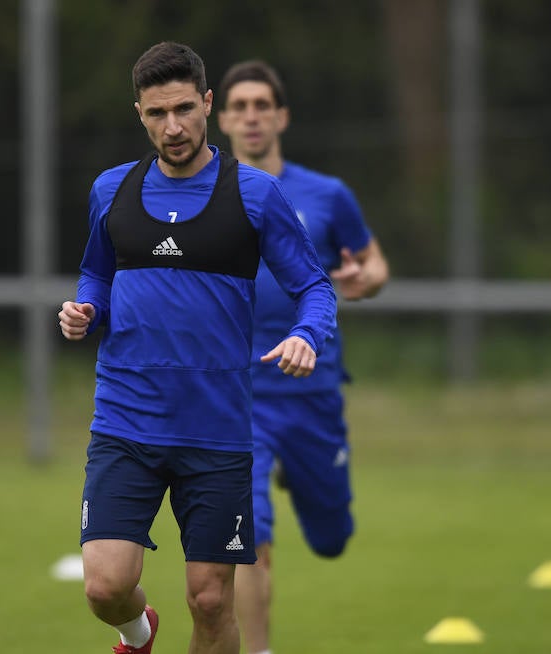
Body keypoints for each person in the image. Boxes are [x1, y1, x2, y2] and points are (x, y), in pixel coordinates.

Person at [58, 42, 337, 654]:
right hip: (125, 421)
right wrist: (86, 311)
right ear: (139, 113)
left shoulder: (256, 195)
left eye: (185, 109)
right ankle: (139, 633)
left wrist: (304, 334)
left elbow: (314, 287)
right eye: (157, 114)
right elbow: (96, 276)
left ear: (208, 104)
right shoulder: (112, 190)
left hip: (216, 431)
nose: (174, 127)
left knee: (211, 600)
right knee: (106, 586)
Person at [216, 60, 389, 654]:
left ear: (281, 115)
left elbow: (374, 263)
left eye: (262, 104)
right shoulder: (202, 196)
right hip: (238, 396)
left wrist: (367, 279)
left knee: (332, 538)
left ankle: (302, 472)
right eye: (239, 106)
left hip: (311, 393)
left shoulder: (326, 194)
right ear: (222, 117)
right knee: (250, 538)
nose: (251, 115)